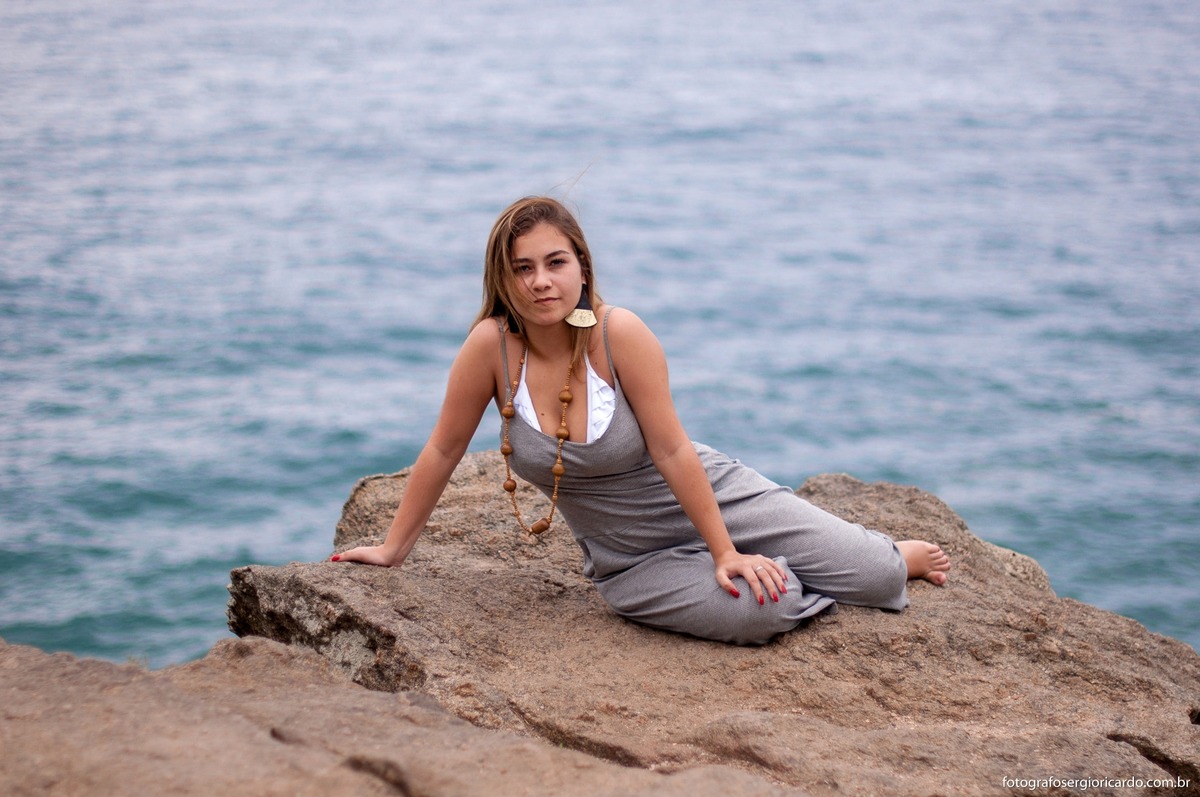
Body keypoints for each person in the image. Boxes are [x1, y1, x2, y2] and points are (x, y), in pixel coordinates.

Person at [331, 196, 950, 644]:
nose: (542, 282)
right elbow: (442, 450)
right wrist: (393, 549)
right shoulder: (489, 348)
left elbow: (674, 451)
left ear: (582, 266)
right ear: (504, 277)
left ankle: (864, 551)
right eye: (523, 268)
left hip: (714, 500)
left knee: (875, 574)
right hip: (632, 560)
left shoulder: (618, 333)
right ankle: (780, 566)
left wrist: (724, 550)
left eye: (556, 262)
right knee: (766, 607)